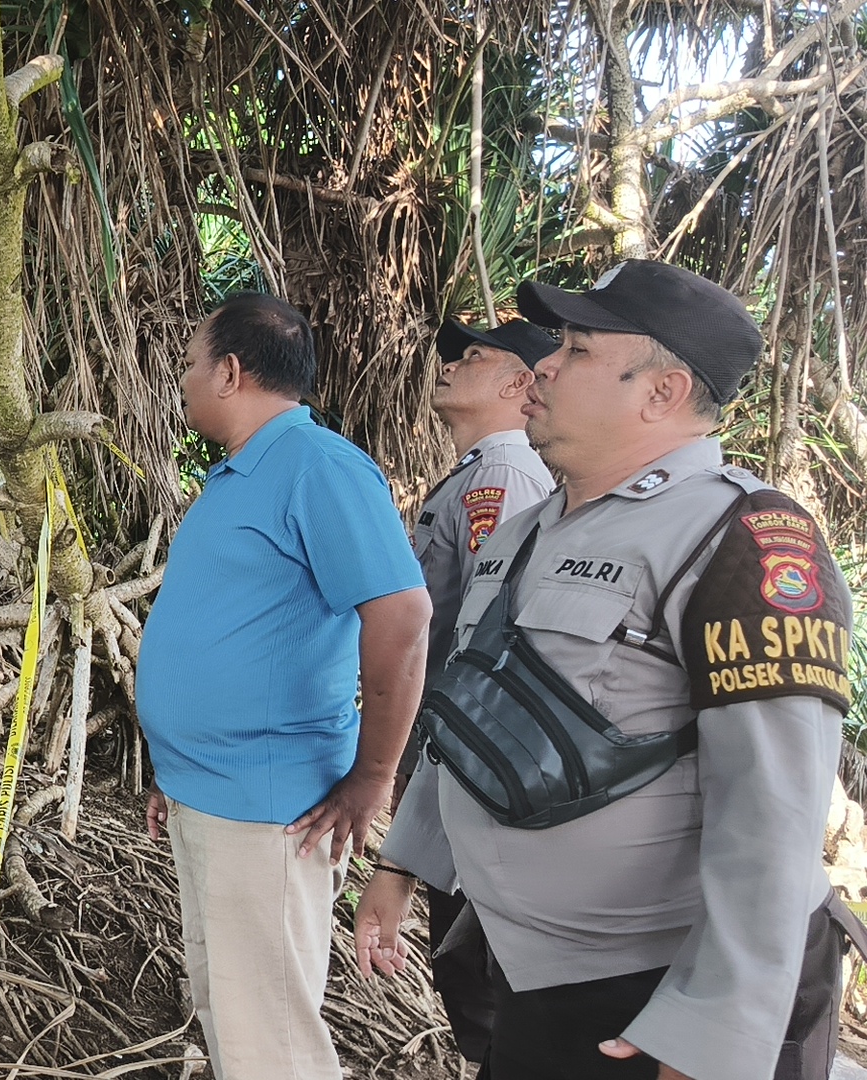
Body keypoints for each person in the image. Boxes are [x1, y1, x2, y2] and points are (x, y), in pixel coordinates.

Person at [356, 260, 855, 1080]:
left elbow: (773, 807)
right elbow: (473, 715)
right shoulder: (527, 532)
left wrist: (714, 1033)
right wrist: (404, 860)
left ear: (661, 391)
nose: (544, 366)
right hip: (535, 971)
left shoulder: (746, 539)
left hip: (661, 993)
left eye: (578, 349)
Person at [137, 292, 431, 1080]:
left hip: (271, 814)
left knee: (272, 1047)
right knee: (235, 1023)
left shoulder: (320, 468)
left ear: (231, 372)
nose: (185, 379)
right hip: (213, 798)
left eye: (192, 363)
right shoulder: (237, 478)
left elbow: (402, 618)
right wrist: (179, 770)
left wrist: (373, 778)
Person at [397, 316, 556, 1065]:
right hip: (452, 761)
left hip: (472, 765)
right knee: (465, 972)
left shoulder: (505, 478)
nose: (452, 364)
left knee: (479, 977)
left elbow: (487, 639)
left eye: (474, 355)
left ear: (520, 383)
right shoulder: (477, 474)